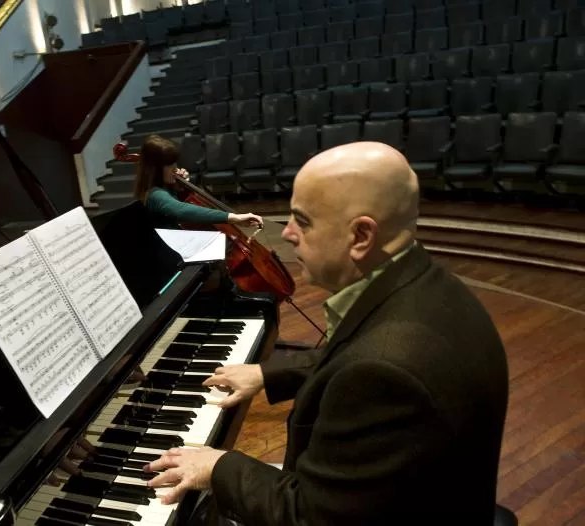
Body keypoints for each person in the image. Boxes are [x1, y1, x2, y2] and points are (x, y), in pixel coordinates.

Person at [143, 142, 510, 525]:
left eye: (302, 221)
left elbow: (312, 517)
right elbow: (358, 350)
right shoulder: (425, 286)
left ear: (361, 236)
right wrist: (268, 374)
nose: (285, 234)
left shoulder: (387, 370)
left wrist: (219, 467)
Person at [134, 135, 263, 230]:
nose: (174, 168)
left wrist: (181, 187)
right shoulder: (155, 194)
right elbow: (180, 210)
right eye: (168, 164)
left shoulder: (164, 187)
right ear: (154, 169)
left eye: (174, 162)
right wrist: (233, 217)